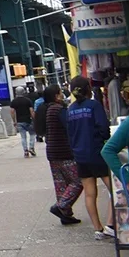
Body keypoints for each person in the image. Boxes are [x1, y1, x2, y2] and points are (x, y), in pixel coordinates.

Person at [64, 76, 115, 240]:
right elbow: (104, 129)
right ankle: (110, 225)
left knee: (89, 194)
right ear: (88, 89)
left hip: (80, 156)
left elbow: (70, 133)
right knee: (115, 190)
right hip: (97, 152)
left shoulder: (70, 110)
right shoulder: (94, 106)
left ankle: (97, 229)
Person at [43, 85, 82, 225]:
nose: (62, 95)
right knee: (78, 181)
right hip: (64, 151)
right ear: (56, 96)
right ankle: (62, 206)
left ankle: (66, 215)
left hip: (52, 152)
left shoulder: (49, 110)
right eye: (60, 93)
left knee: (61, 185)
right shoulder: (59, 110)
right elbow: (69, 127)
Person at [11, 86, 36, 158]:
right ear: (24, 92)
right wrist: (34, 119)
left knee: (23, 137)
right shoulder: (27, 100)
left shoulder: (14, 101)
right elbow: (31, 111)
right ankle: (31, 147)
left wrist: (14, 121)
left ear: (16, 92)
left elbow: (12, 112)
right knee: (32, 134)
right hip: (28, 120)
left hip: (19, 121)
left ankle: (25, 151)